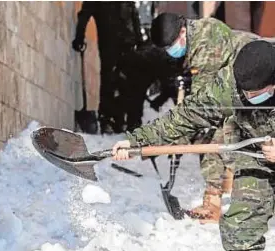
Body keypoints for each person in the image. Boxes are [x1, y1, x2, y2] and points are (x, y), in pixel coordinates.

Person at [112, 40, 275, 251]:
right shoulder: (230, 86)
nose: (246, 97)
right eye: (244, 92)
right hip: (257, 153)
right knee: (239, 230)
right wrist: (138, 140)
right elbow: (187, 115)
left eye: (253, 93)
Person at [72, 1, 143, 134]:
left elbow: (134, 15)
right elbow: (84, 15)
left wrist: (139, 41)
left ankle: (124, 120)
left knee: (127, 82)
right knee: (109, 80)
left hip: (128, 44)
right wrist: (79, 37)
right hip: (109, 45)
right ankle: (108, 119)